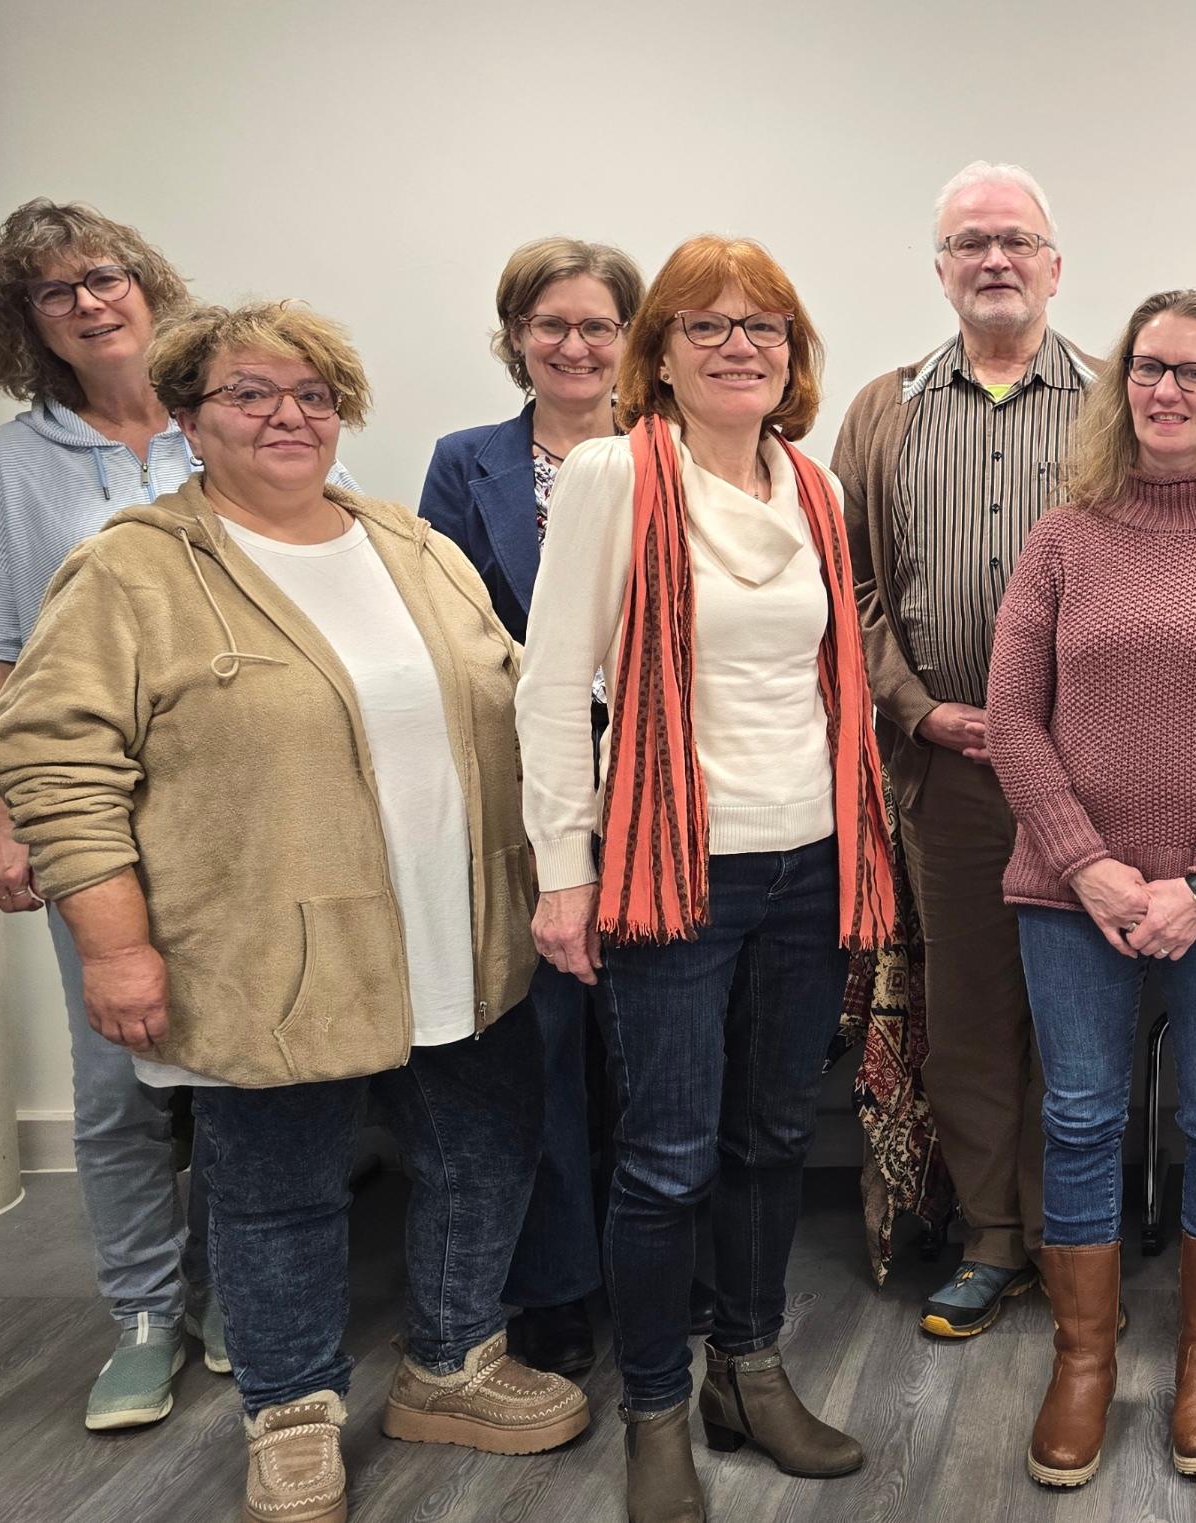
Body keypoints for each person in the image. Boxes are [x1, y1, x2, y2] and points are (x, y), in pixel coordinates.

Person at [0, 300, 588, 1523]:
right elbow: (51, 758)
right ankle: (291, 1409)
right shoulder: (133, 566)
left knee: (481, 1150)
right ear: (188, 417)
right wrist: (115, 943)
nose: (286, 416)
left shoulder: (408, 542)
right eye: (249, 394)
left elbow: (513, 691)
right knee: (277, 1188)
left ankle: (451, 1363)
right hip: (269, 950)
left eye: (311, 393)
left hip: (459, 929)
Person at [516, 234, 895, 1523]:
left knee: (773, 1134)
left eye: (765, 327)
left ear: (793, 357)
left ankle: (750, 1364)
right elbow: (551, 684)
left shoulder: (817, 488)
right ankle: (656, 1408)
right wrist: (562, 875)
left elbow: (829, 683)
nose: (741, 345)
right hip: (672, 871)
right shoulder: (616, 475)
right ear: (658, 354)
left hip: (807, 858)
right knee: (668, 1154)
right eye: (708, 324)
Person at [0, 198, 260, 1431]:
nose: (87, 303)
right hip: (90, 815)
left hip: (234, 810)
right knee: (119, 1081)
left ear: (147, 284)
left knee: (235, 1065)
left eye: (104, 276)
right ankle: (142, 1310)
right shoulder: (17, 468)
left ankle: (238, 1287)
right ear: (31, 327)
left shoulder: (229, 421)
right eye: (53, 294)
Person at [988, 289, 1196, 1487]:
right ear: (1119, 383)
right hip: (1067, 889)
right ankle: (1083, 1356)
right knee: (1081, 1115)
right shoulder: (1064, 536)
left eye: (1193, 372)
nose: (1167, 390)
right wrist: (1087, 864)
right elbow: (1013, 724)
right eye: (1148, 368)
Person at [833, 160, 1097, 1339]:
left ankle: (1071, 1237)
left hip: (1096, 774)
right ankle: (995, 1238)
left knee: (1081, 1010)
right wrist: (917, 709)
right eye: (969, 241)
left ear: (1055, 264)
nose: (995, 258)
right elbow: (853, 587)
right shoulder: (883, 409)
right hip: (949, 769)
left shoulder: (1115, 404)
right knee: (975, 1011)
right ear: (940, 268)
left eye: (1016, 240)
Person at [421, 236, 647, 1377]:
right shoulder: (466, 465)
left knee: (654, 1038)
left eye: (596, 324)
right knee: (548, 1042)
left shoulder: (669, 454)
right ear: (516, 337)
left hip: (662, 782)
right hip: (531, 779)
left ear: (628, 338)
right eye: (549, 323)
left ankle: (658, 1262)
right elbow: (454, 633)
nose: (573, 344)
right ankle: (557, 1279)